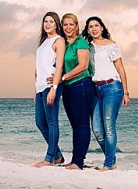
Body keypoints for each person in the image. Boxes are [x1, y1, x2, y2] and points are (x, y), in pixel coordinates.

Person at [84, 15, 129, 171]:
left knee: (109, 127)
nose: (94, 28)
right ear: (88, 30)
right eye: (90, 27)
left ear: (102, 27)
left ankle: (108, 164)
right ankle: (112, 159)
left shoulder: (111, 45)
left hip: (112, 87)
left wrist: (126, 92)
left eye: (96, 25)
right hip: (95, 90)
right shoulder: (87, 46)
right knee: (97, 129)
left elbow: (121, 68)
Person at [59, 13, 94, 170]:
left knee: (82, 125)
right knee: (75, 125)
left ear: (77, 26)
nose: (68, 28)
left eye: (71, 24)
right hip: (68, 88)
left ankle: (78, 162)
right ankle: (75, 159)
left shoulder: (81, 42)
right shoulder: (64, 43)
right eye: (65, 25)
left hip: (81, 86)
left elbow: (83, 66)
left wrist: (64, 77)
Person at [33, 11, 66, 167]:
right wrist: (36, 91)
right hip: (40, 87)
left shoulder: (59, 41)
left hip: (50, 86)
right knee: (40, 122)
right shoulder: (43, 42)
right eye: (45, 21)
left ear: (56, 24)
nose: (47, 24)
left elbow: (59, 66)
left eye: (51, 21)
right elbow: (38, 70)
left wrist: (54, 88)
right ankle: (58, 155)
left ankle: (50, 157)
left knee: (52, 122)